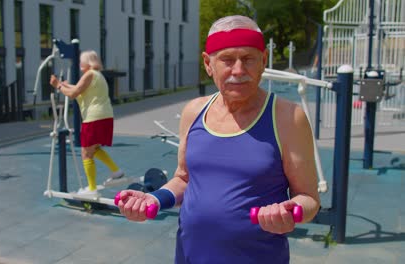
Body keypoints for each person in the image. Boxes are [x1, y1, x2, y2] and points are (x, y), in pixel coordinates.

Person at [116, 15, 320, 263]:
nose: (238, 70)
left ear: (263, 60)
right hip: (190, 256)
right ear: (208, 63)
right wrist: (154, 199)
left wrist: (291, 213)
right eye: (227, 60)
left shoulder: (288, 117)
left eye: (248, 59)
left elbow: (309, 199)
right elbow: (183, 178)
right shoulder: (194, 111)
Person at [50, 50, 123, 197]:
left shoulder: (89, 74)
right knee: (94, 149)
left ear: (87, 62)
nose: (79, 64)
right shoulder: (97, 76)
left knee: (85, 152)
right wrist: (66, 85)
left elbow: (73, 94)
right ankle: (116, 171)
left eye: (81, 61)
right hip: (105, 116)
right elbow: (78, 89)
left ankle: (92, 189)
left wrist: (58, 85)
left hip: (94, 117)